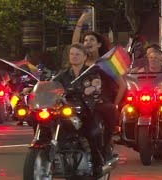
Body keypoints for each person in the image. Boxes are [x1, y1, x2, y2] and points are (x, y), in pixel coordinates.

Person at [73, 12, 126, 161]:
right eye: (85, 40)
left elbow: (122, 85)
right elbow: (74, 43)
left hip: (101, 102)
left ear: (99, 44)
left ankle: (105, 148)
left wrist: (114, 105)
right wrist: (80, 22)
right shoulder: (80, 62)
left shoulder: (106, 63)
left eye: (91, 40)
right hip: (80, 101)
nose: (87, 42)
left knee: (97, 127)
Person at [53, 43, 104, 176]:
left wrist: (92, 88)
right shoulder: (63, 74)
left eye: (77, 54)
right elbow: (51, 83)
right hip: (67, 108)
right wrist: (33, 88)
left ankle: (98, 163)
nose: (74, 57)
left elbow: (97, 83)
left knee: (92, 132)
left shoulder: (91, 72)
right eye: (72, 54)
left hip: (87, 109)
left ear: (85, 57)